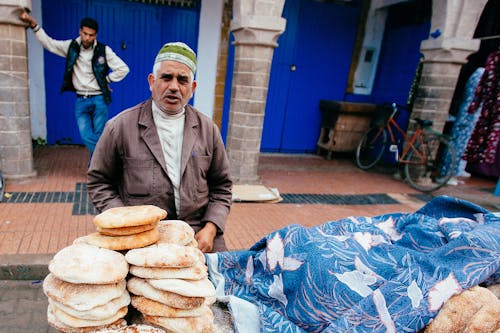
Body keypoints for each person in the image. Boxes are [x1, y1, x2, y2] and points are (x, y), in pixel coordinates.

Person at [87, 42, 232, 253]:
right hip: (141, 236)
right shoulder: (120, 127)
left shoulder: (207, 129)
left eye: (182, 80)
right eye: (166, 78)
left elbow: (222, 187)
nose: (174, 86)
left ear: (192, 88)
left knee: (224, 282)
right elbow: (98, 181)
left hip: (197, 233)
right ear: (152, 82)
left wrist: (211, 227)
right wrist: (125, 223)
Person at [19, 11, 130, 154]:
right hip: (81, 99)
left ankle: (98, 168)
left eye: (91, 35)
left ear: (95, 35)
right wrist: (34, 25)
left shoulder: (104, 50)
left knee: (100, 136)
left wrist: (107, 79)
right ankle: (106, 161)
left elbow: (123, 69)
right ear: (80, 31)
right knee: (86, 135)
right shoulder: (71, 47)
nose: (87, 38)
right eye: (85, 33)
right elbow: (49, 44)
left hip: (99, 99)